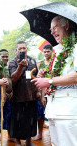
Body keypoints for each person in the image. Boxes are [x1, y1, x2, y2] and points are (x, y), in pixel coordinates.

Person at [31, 15, 77, 146]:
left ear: (66, 26)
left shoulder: (76, 48)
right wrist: (45, 73)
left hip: (69, 111)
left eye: (55, 27)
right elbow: (59, 73)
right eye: (51, 29)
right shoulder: (57, 51)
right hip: (53, 109)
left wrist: (49, 81)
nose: (52, 32)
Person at [9, 41, 38, 146]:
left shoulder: (32, 60)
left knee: (30, 119)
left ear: (27, 49)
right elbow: (14, 78)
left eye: (24, 48)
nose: (22, 50)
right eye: (20, 48)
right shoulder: (13, 62)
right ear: (16, 50)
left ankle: (28, 142)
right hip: (18, 97)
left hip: (31, 96)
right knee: (17, 121)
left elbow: (36, 76)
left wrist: (38, 92)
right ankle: (18, 142)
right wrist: (20, 67)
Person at [32, 44, 52, 141]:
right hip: (42, 91)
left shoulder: (55, 62)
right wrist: (38, 92)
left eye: (48, 51)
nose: (46, 53)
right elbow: (37, 78)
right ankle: (39, 133)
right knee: (40, 114)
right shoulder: (40, 64)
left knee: (52, 113)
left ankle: (53, 133)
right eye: (45, 51)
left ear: (52, 51)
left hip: (52, 90)